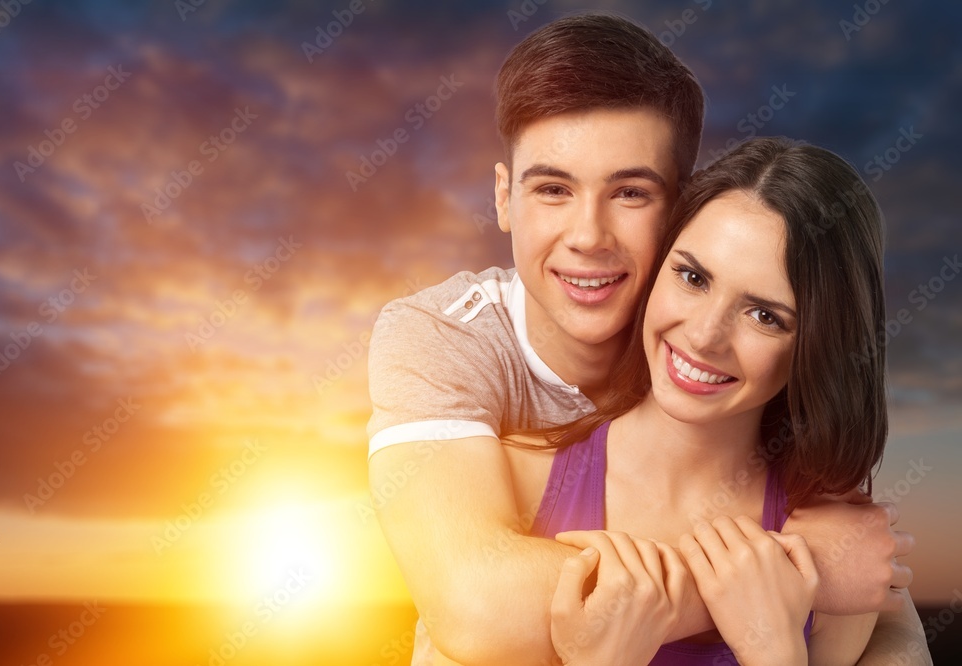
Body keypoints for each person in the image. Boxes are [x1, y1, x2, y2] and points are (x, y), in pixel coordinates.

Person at [366, 13, 926, 666]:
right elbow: (470, 607)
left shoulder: (821, 503)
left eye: (630, 192)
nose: (588, 237)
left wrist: (784, 641)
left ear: (676, 207)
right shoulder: (447, 347)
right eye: (552, 188)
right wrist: (789, 572)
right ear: (503, 196)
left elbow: (880, 602)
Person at [527, 137, 894, 664]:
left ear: (818, 346)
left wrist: (777, 652)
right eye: (693, 277)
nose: (703, 337)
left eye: (765, 315)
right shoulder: (520, 481)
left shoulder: (842, 557)